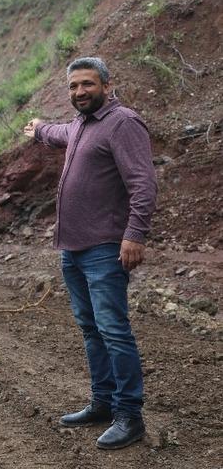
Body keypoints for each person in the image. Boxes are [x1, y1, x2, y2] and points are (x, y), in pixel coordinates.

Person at [23, 57, 157, 450]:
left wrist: (135, 234)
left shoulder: (123, 123)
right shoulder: (82, 123)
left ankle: (129, 416)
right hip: (73, 248)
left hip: (104, 248)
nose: (79, 92)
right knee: (90, 328)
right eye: (73, 86)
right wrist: (38, 130)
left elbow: (143, 184)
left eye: (87, 84)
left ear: (105, 84)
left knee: (113, 330)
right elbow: (59, 132)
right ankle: (102, 403)